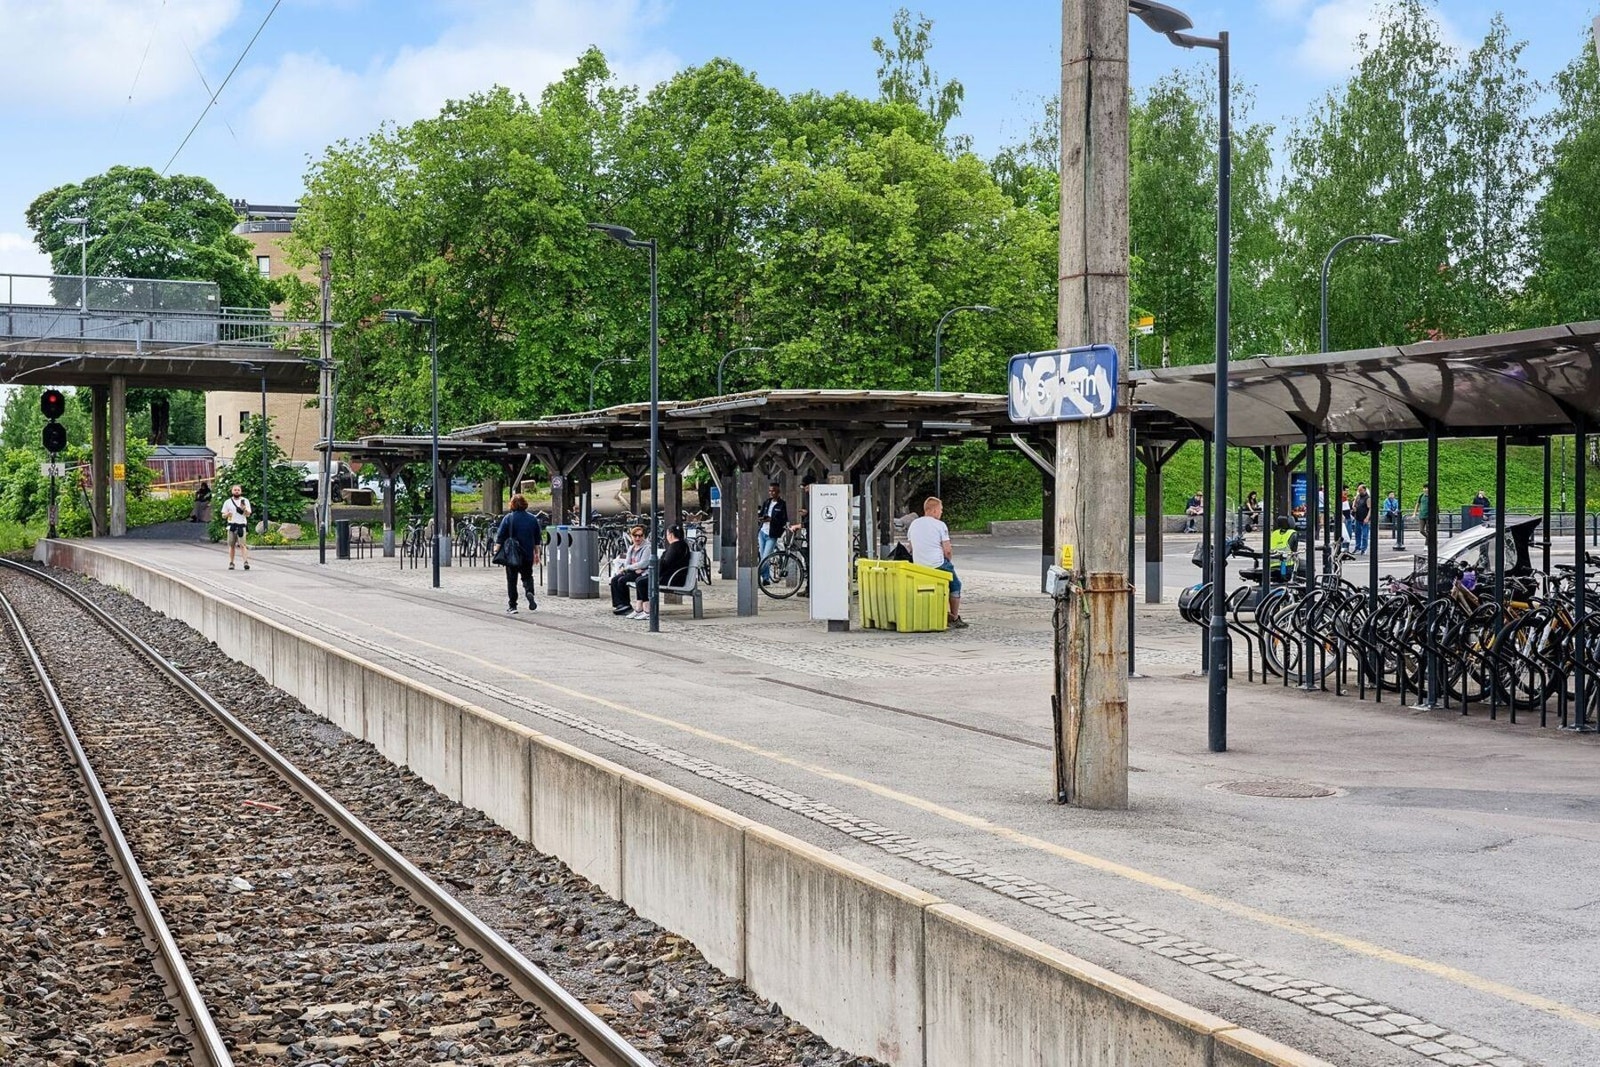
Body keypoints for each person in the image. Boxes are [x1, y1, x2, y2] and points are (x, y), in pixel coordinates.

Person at [908, 496, 966, 629]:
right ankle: (954, 617)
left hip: (919, 566)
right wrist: (948, 561)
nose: (941, 512)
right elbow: (947, 550)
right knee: (956, 585)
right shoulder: (940, 525)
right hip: (937, 564)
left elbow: (911, 547)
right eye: (940, 510)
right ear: (934, 510)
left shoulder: (914, 524)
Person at [494, 494, 540, 614]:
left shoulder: (509, 518)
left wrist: (496, 549)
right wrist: (537, 554)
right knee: (527, 576)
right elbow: (537, 539)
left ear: (512, 504)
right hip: (527, 554)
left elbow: (501, 536)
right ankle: (529, 591)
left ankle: (513, 605)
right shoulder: (532, 519)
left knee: (512, 580)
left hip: (512, 554)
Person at [610, 525, 651, 617]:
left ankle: (626, 604)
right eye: (635, 535)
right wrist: (629, 568)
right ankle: (619, 604)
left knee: (622, 580)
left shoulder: (647, 548)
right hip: (634, 571)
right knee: (614, 579)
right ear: (631, 536)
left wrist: (629, 568)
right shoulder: (631, 548)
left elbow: (643, 564)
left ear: (643, 536)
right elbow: (627, 563)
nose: (637, 538)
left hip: (642, 572)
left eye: (640, 536)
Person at [757, 480, 788, 581]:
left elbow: (784, 520)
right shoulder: (767, 502)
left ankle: (756, 575)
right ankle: (765, 579)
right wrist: (761, 518)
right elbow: (761, 513)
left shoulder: (782, 505)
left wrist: (772, 519)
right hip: (763, 532)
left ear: (778, 492)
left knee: (766, 557)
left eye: (773, 491)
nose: (771, 493)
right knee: (762, 556)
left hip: (773, 534)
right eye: (770, 491)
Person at [221, 484, 252, 571]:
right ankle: (231, 562)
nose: (237, 491)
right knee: (231, 545)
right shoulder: (227, 502)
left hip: (241, 525)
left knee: (243, 545)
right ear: (232, 491)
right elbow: (223, 515)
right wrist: (227, 514)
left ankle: (245, 562)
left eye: (238, 490)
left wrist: (245, 509)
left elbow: (248, 514)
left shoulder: (245, 501)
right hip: (232, 525)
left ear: (241, 491)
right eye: (235, 490)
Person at [1269, 515, 1299, 580]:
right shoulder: (1293, 533)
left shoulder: (1274, 533)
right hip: (1286, 567)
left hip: (1271, 567)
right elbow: (1294, 551)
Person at [1352, 484, 1372, 555]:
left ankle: (1363, 548)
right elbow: (1355, 504)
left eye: (1360, 490)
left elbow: (1370, 509)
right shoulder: (1358, 497)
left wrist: (1367, 518)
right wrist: (1354, 508)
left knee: (1364, 535)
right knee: (1357, 534)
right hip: (1358, 517)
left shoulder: (1368, 498)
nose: (1359, 491)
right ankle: (1358, 547)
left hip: (1364, 518)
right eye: (1358, 490)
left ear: (1364, 490)